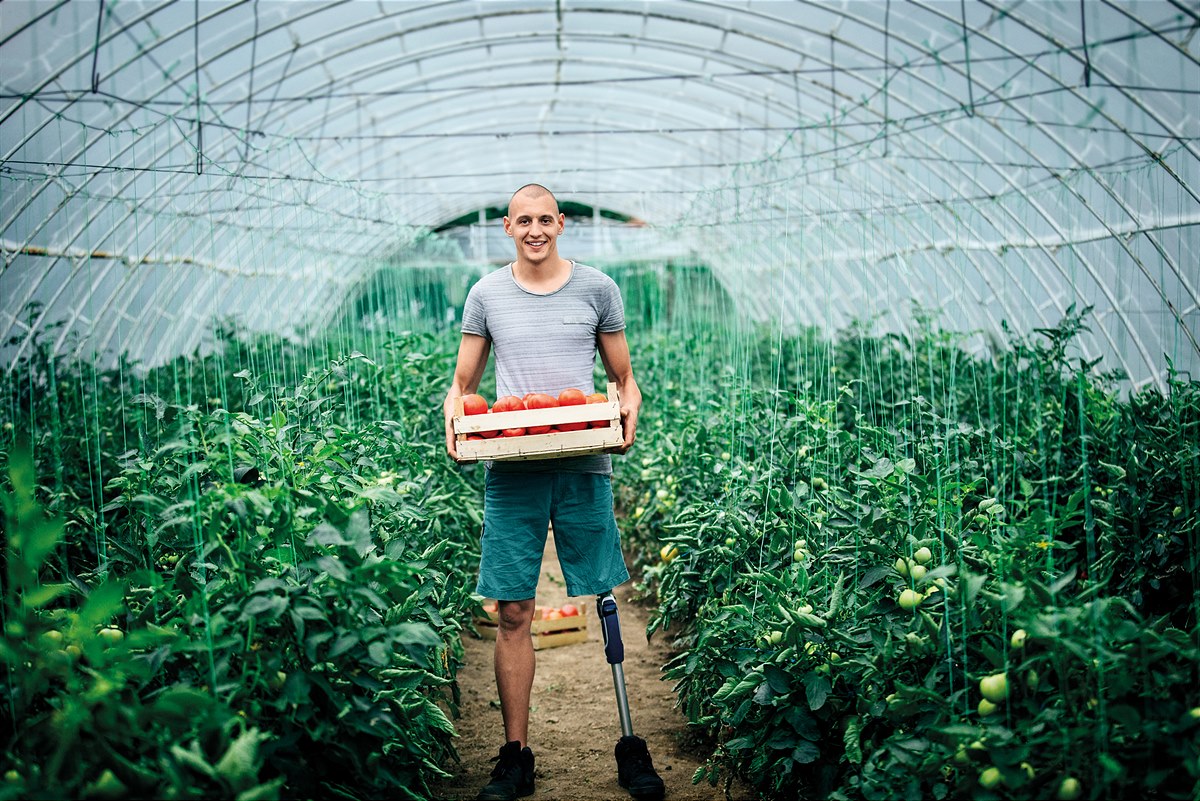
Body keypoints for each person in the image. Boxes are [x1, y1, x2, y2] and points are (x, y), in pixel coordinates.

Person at [443, 184, 665, 801]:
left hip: (583, 462)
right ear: (507, 228)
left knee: (603, 594)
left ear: (561, 224)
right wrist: (453, 420)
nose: (535, 230)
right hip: (511, 467)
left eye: (546, 219)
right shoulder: (487, 294)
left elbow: (624, 378)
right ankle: (515, 755)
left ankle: (630, 744)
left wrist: (628, 410)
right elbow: (463, 383)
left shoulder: (597, 288)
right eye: (524, 221)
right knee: (512, 609)